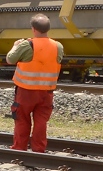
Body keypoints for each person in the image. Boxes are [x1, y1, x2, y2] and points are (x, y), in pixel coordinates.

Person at [6, 14, 64, 152]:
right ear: (48, 29)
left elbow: (10, 59)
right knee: (41, 121)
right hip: (46, 92)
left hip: (26, 90)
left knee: (22, 119)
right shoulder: (58, 46)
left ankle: (19, 148)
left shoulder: (27, 45)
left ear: (33, 29)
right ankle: (38, 150)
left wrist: (15, 46)